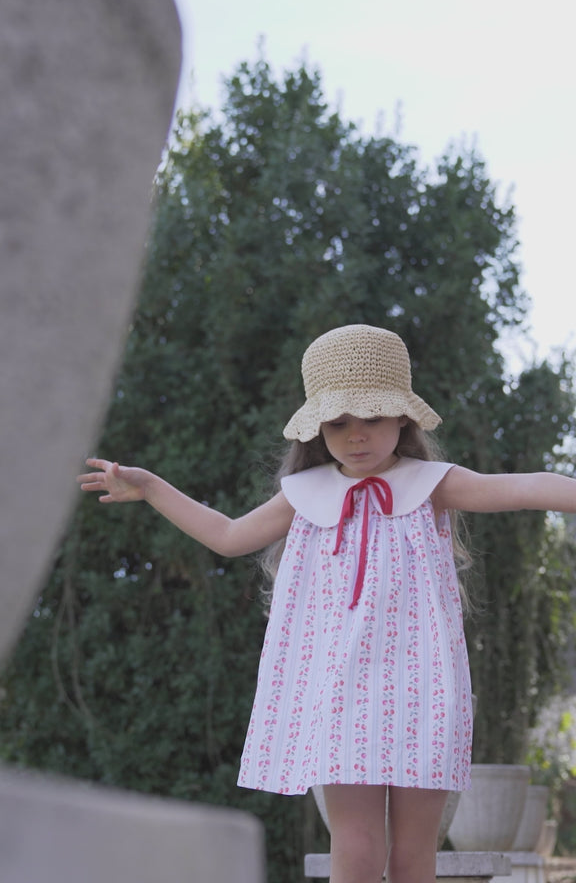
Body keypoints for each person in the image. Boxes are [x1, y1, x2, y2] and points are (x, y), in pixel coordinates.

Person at [77, 324, 576, 883]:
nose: (355, 435)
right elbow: (227, 534)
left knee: (415, 857)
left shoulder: (433, 483)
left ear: (403, 418)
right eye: (338, 422)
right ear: (317, 427)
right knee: (357, 849)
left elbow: (527, 486)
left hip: (423, 683)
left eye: (372, 418)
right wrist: (151, 488)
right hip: (340, 688)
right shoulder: (305, 494)